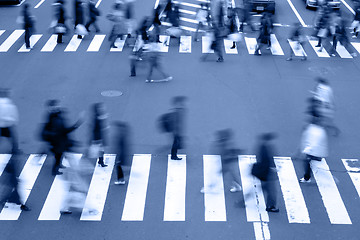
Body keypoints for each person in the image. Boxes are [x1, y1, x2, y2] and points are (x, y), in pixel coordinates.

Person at [43, 103, 85, 175]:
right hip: (58, 143)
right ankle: (55, 170)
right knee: (58, 157)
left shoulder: (55, 119)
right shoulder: (57, 121)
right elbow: (65, 130)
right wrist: (77, 124)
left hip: (58, 142)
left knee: (60, 156)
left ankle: (59, 165)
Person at [299, 116, 328, 183]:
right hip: (316, 151)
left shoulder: (314, 131)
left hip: (313, 151)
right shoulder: (319, 130)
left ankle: (307, 178)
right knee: (308, 162)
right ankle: (308, 176)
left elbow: (314, 143)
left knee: (306, 162)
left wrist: (307, 149)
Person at [255, 133, 279, 212]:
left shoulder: (262, 147)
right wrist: (273, 169)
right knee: (272, 190)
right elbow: (268, 161)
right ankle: (271, 206)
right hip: (268, 173)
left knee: (264, 188)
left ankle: (242, 201)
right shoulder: (267, 148)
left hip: (264, 172)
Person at [89, 103, 109, 167]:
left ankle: (100, 161)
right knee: (100, 150)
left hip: (98, 137)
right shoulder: (96, 118)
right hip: (97, 138)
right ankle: (101, 162)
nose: (101, 109)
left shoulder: (97, 116)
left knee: (101, 150)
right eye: (100, 108)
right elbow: (95, 128)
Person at [0, 89, 19, 154]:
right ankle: (15, 150)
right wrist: (15, 121)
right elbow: (13, 113)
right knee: (12, 139)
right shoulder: (9, 103)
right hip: (8, 124)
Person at [170, 96, 186, 160]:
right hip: (176, 131)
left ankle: (174, 155)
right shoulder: (177, 112)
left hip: (176, 130)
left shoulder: (177, 111)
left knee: (175, 143)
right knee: (175, 143)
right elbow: (176, 122)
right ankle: (174, 156)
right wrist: (177, 131)